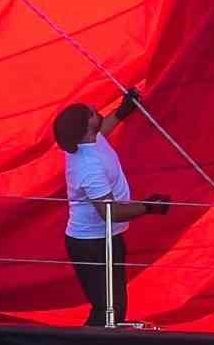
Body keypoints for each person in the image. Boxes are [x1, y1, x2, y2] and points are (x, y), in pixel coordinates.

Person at [53, 88, 170, 326]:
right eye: (92, 113)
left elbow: (102, 130)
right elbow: (111, 212)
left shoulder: (87, 142)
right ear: (86, 128)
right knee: (108, 309)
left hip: (105, 239)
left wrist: (124, 111)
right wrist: (148, 207)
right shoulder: (88, 168)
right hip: (92, 244)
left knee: (115, 305)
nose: (96, 110)